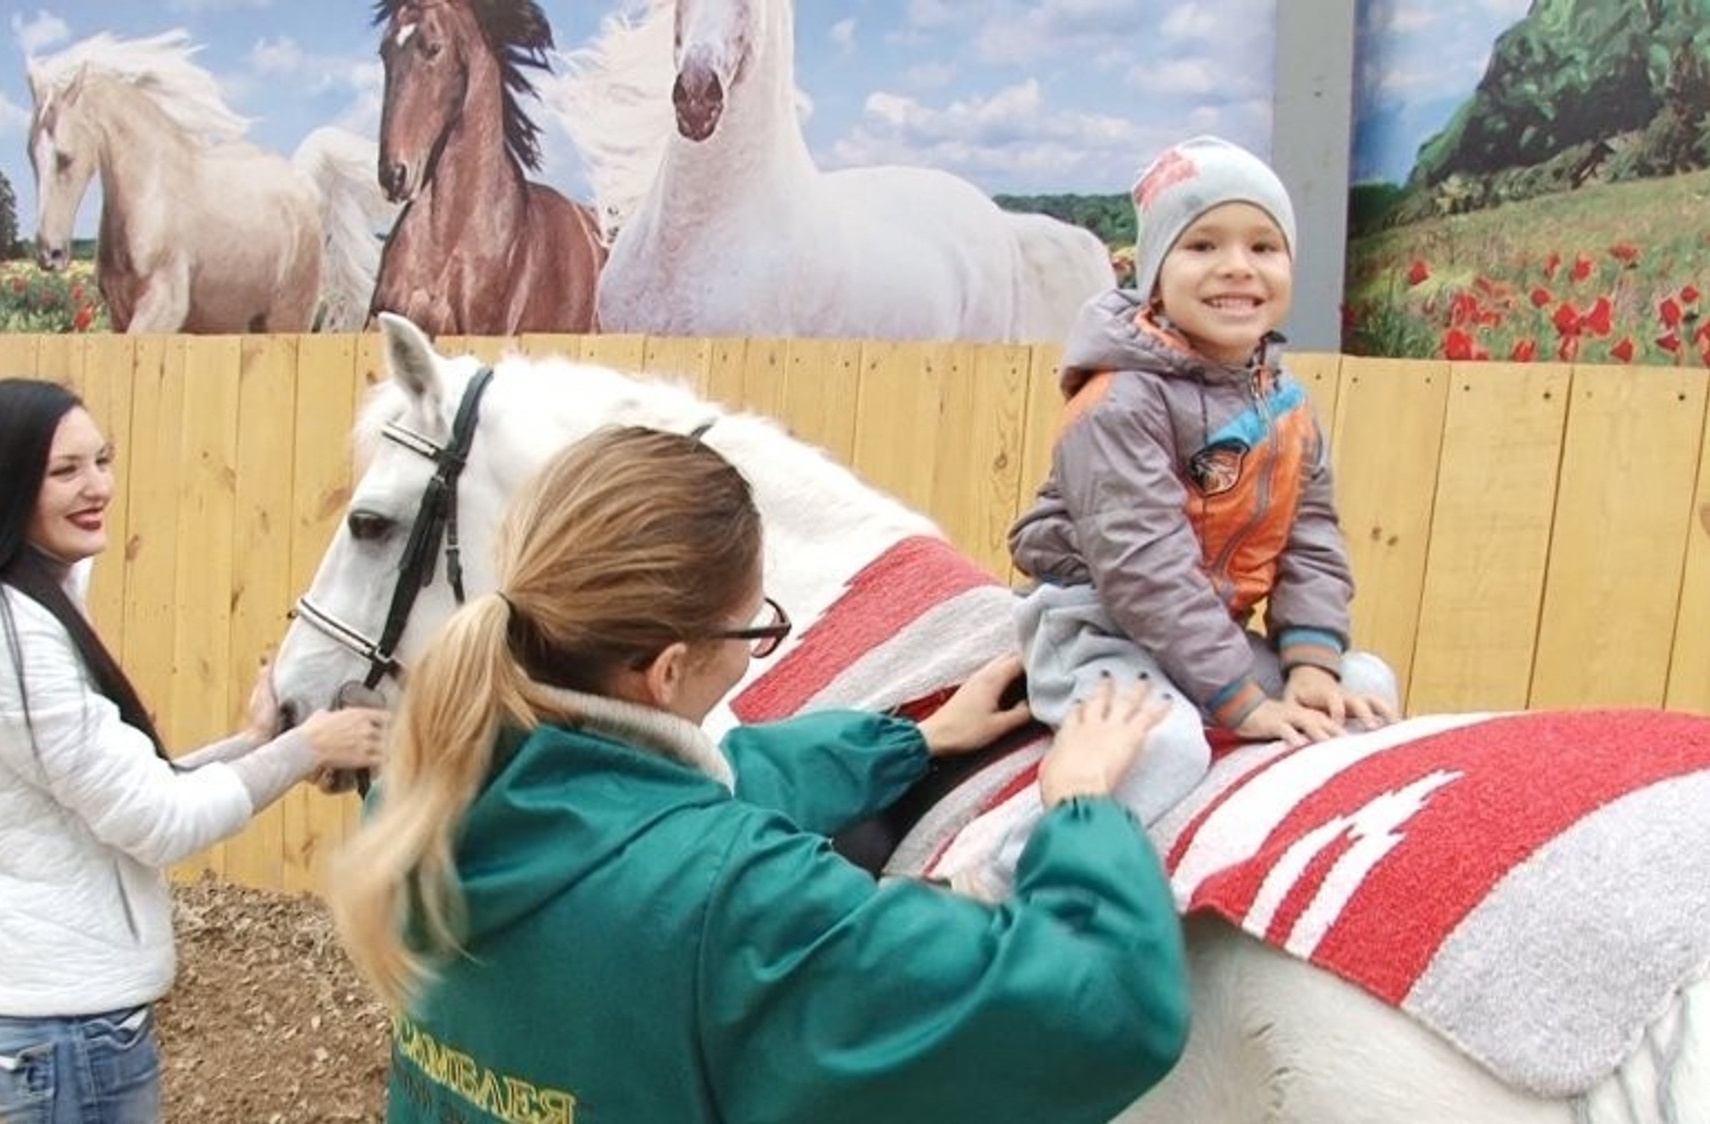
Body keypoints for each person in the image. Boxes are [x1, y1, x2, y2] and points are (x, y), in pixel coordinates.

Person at [327, 425, 1189, 1124]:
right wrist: (1080, 811)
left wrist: (911, 744)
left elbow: (674, 796)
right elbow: (1107, 1008)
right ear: (667, 673)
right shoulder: (735, 900)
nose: (754, 648)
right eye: (753, 631)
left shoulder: (422, 786)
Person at [0, 378, 386, 1124]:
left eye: (103, 460)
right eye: (65, 471)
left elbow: (132, 791)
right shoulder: (1, 629)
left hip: (68, 1029)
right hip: (66, 1036)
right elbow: (159, 820)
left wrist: (256, 743)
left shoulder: (15, 609)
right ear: (1, 484)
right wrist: (303, 748)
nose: (97, 487)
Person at [1008, 135, 1400, 826]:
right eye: (1203, 246)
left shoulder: (1288, 407)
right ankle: (1004, 881)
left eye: (1262, 247)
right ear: (1157, 271)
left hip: (1205, 636)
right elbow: (1144, 569)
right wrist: (1238, 698)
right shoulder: (1119, 403)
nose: (1236, 268)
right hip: (1096, 628)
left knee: (1362, 687)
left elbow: (1311, 539)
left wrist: (1310, 661)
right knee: (1164, 749)